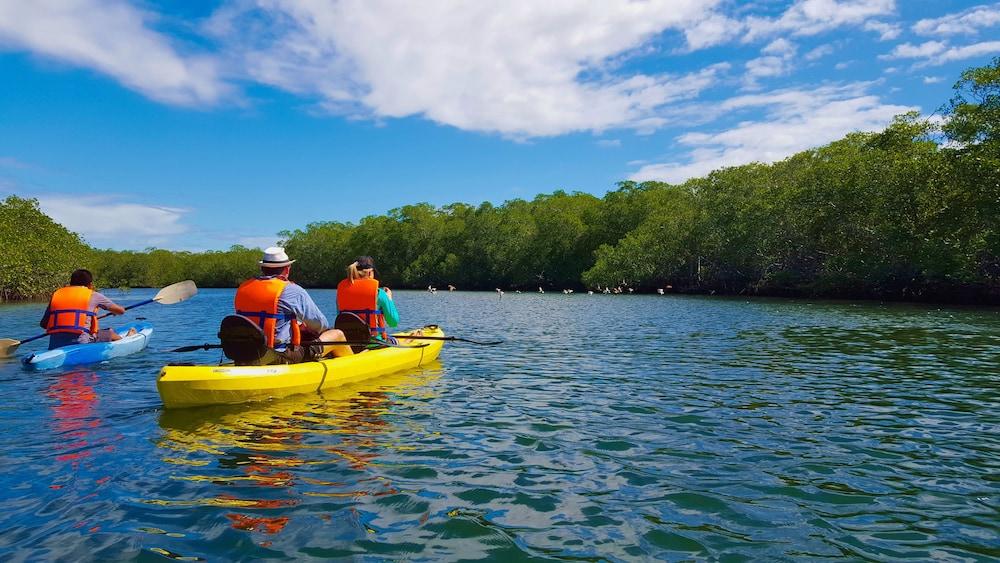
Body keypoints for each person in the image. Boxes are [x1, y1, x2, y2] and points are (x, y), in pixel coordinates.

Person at [233, 247, 351, 364]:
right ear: (287, 269)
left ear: (263, 268)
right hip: (280, 356)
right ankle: (353, 370)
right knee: (337, 335)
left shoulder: (243, 288)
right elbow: (320, 324)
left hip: (245, 353)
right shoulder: (291, 290)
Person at [39, 269, 135, 350]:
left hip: (55, 344)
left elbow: (43, 324)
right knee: (110, 333)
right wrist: (116, 310)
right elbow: (120, 311)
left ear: (71, 283)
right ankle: (128, 339)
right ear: (90, 284)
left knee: (104, 332)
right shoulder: (93, 295)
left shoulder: (57, 295)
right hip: (82, 342)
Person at [336, 256, 399, 341]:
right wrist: (389, 298)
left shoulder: (341, 292)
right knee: (395, 341)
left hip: (349, 344)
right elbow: (393, 322)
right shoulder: (379, 293)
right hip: (374, 343)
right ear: (370, 273)